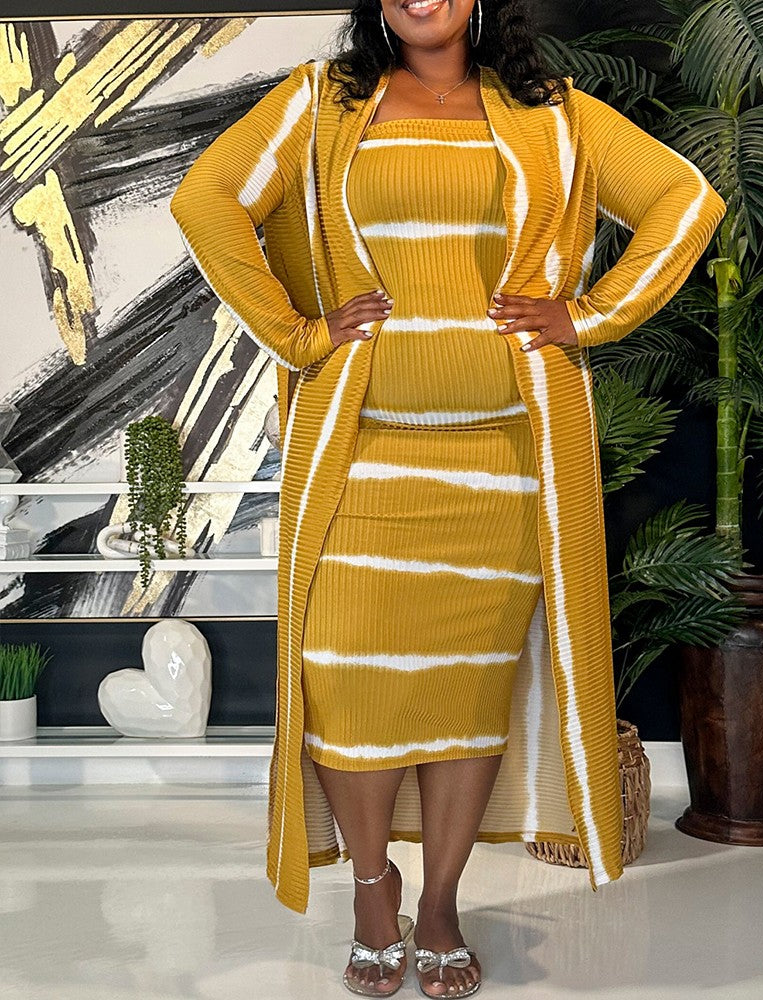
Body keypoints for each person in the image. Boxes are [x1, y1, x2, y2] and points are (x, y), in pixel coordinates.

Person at [170, 1, 727, 996]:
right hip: (359, 459)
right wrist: (296, 333)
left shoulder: (551, 112)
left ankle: (438, 904)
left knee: (466, 696)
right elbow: (206, 198)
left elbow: (685, 199)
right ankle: (373, 887)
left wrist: (589, 315)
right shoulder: (322, 102)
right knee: (345, 680)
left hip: (501, 466)